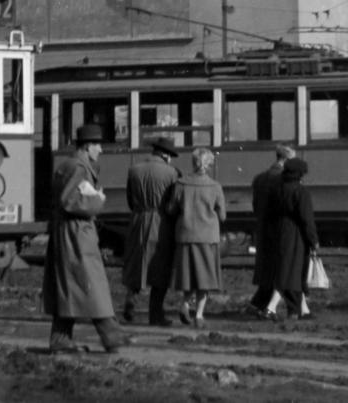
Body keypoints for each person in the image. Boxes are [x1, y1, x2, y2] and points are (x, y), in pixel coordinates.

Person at [44, 123, 129, 353]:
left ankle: (61, 339)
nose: (100, 150)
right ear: (87, 146)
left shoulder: (69, 165)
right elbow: (70, 201)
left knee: (69, 287)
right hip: (77, 234)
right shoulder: (79, 168)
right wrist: (97, 201)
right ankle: (111, 335)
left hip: (69, 233)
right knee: (91, 285)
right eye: (98, 145)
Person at [163, 146, 225, 329]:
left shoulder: (181, 184)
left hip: (185, 235)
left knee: (188, 276)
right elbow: (222, 216)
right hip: (207, 237)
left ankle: (184, 303)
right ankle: (199, 315)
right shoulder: (215, 186)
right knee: (205, 278)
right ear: (209, 165)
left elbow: (171, 209)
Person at [121, 138, 179, 326]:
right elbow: (173, 203)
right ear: (165, 155)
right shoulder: (172, 173)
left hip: (138, 220)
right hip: (160, 222)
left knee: (137, 262)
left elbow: (130, 201)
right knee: (159, 267)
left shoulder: (134, 170)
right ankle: (156, 314)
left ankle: (131, 297)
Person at [267, 156, 318, 322]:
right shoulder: (301, 192)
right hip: (296, 235)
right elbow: (306, 219)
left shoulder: (277, 188)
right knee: (294, 272)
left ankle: (302, 309)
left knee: (290, 271)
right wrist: (313, 240)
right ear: (300, 174)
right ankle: (281, 309)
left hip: (279, 231)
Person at [248, 145, 296, 319]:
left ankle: (259, 303)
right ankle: (284, 307)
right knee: (283, 268)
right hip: (280, 229)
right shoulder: (284, 180)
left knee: (269, 269)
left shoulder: (259, 178)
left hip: (263, 228)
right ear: (287, 159)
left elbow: (255, 206)